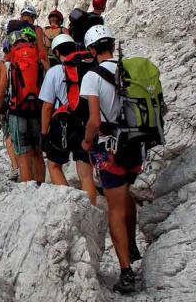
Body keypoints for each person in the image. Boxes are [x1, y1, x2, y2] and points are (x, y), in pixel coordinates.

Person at [80, 25, 143, 295]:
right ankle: (131, 245)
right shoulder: (129, 67)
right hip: (137, 144)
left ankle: (126, 271)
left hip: (111, 149)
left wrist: (85, 142)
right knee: (126, 193)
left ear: (92, 50)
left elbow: (94, 121)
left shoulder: (92, 76)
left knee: (114, 209)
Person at [38, 34, 98, 204]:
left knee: (55, 166)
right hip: (84, 124)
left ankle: (69, 206)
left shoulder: (54, 72)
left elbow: (47, 106)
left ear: (56, 52)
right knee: (86, 175)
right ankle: (90, 210)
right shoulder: (87, 70)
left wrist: (44, 134)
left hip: (61, 125)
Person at [0, 18, 46, 183]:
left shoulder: (7, 64)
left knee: (23, 155)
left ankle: (28, 192)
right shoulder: (38, 59)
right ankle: (42, 187)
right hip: (37, 111)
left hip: (16, 113)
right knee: (37, 153)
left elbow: (0, 92)